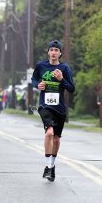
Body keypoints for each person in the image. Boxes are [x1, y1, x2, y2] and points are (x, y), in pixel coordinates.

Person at [31, 40, 75, 182]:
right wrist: (38, 85)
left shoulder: (64, 68)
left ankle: (51, 166)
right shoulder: (41, 66)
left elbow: (71, 88)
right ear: (48, 52)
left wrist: (61, 79)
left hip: (59, 108)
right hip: (45, 106)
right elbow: (34, 78)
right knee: (49, 132)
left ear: (60, 53)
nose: (54, 52)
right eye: (52, 50)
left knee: (56, 139)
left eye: (57, 50)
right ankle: (48, 166)